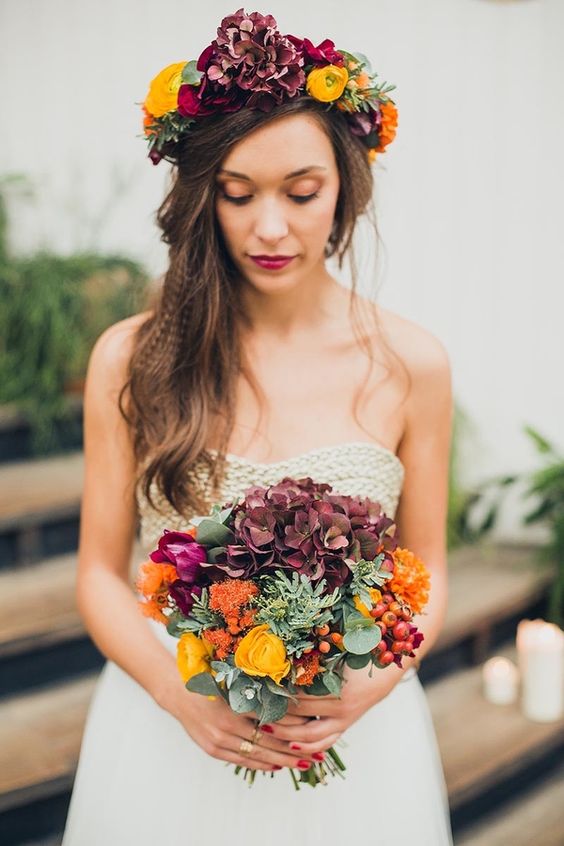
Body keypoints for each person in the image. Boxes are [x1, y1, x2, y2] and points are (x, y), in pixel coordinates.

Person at [62, 9, 454, 845]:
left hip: (353, 749)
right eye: (237, 196)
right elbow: (99, 575)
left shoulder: (412, 364)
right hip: (170, 739)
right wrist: (179, 697)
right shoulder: (130, 358)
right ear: (203, 197)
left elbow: (430, 571)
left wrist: (373, 683)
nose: (270, 228)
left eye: (301, 193)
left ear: (346, 185)